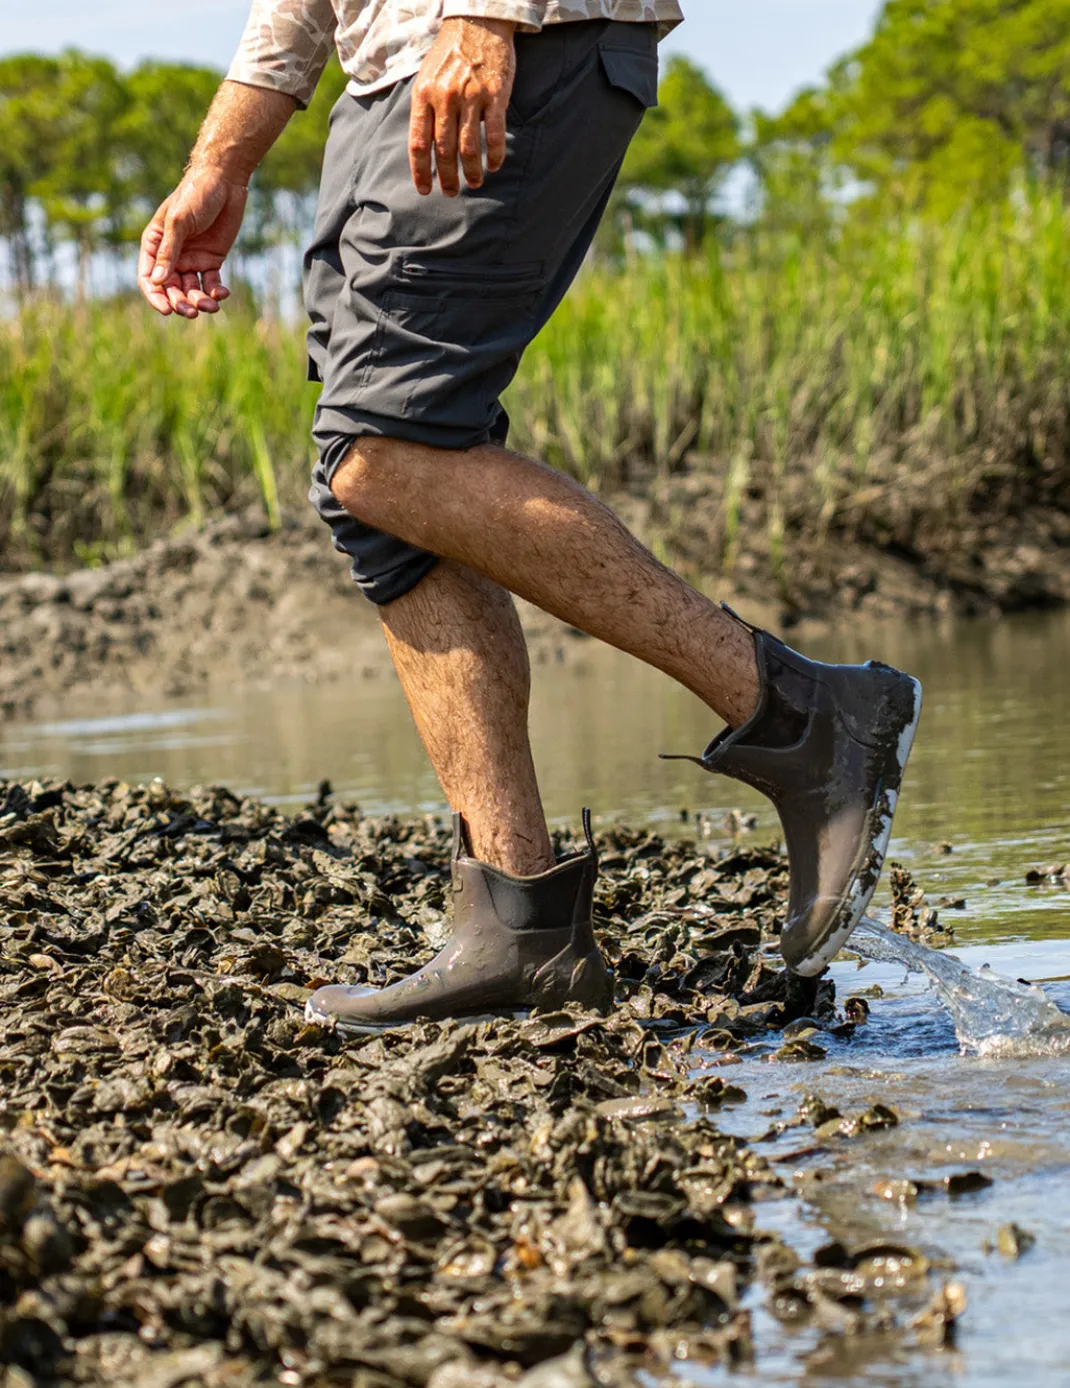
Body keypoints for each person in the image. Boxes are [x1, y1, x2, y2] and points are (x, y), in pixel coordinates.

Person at [138, 0, 922, 1033]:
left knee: (389, 446)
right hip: (385, 75)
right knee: (376, 489)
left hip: (501, 39)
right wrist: (226, 157)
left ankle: (799, 713)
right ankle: (519, 921)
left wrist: (486, 13)